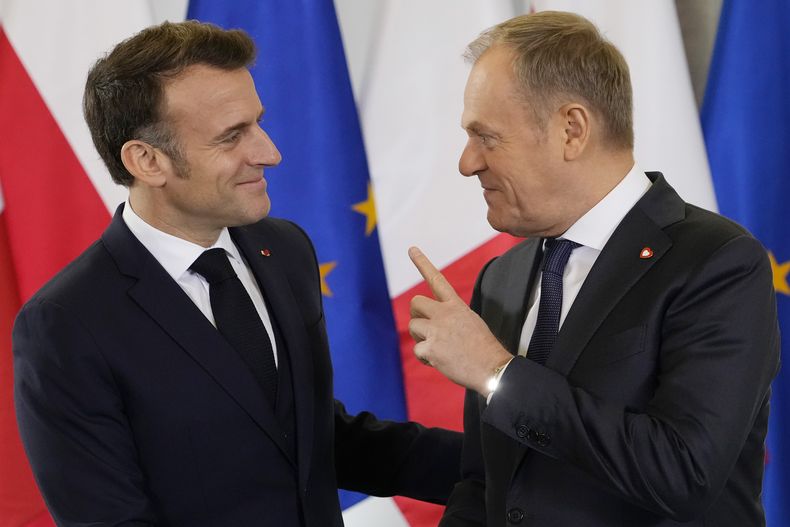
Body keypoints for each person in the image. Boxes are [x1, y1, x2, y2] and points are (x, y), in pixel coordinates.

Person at [13, 21, 460, 527]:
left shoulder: (285, 249)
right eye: (231, 137)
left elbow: (310, 439)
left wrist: (510, 464)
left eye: (257, 123)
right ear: (147, 160)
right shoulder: (67, 323)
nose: (270, 153)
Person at [407, 11, 780, 527]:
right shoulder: (502, 278)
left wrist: (499, 373)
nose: (467, 162)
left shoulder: (717, 263)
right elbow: (485, 482)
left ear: (572, 130)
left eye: (487, 137)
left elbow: (684, 473)